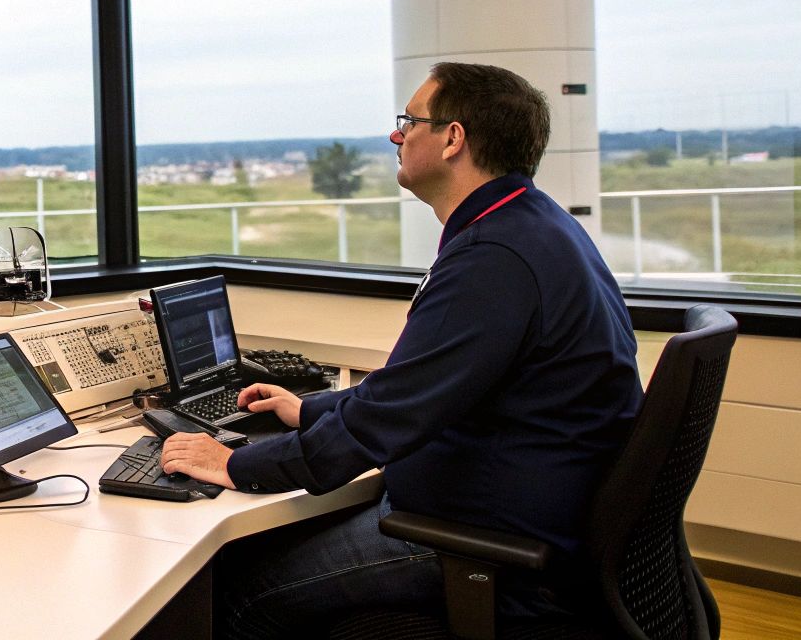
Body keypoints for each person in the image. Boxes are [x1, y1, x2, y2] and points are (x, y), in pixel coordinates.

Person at [158, 62, 643, 636]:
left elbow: (387, 419)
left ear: (453, 138)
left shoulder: (493, 260)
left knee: (236, 591)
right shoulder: (533, 226)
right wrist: (310, 410)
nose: (396, 135)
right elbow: (417, 388)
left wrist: (234, 464)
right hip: (522, 509)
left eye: (410, 121)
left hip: (484, 539)